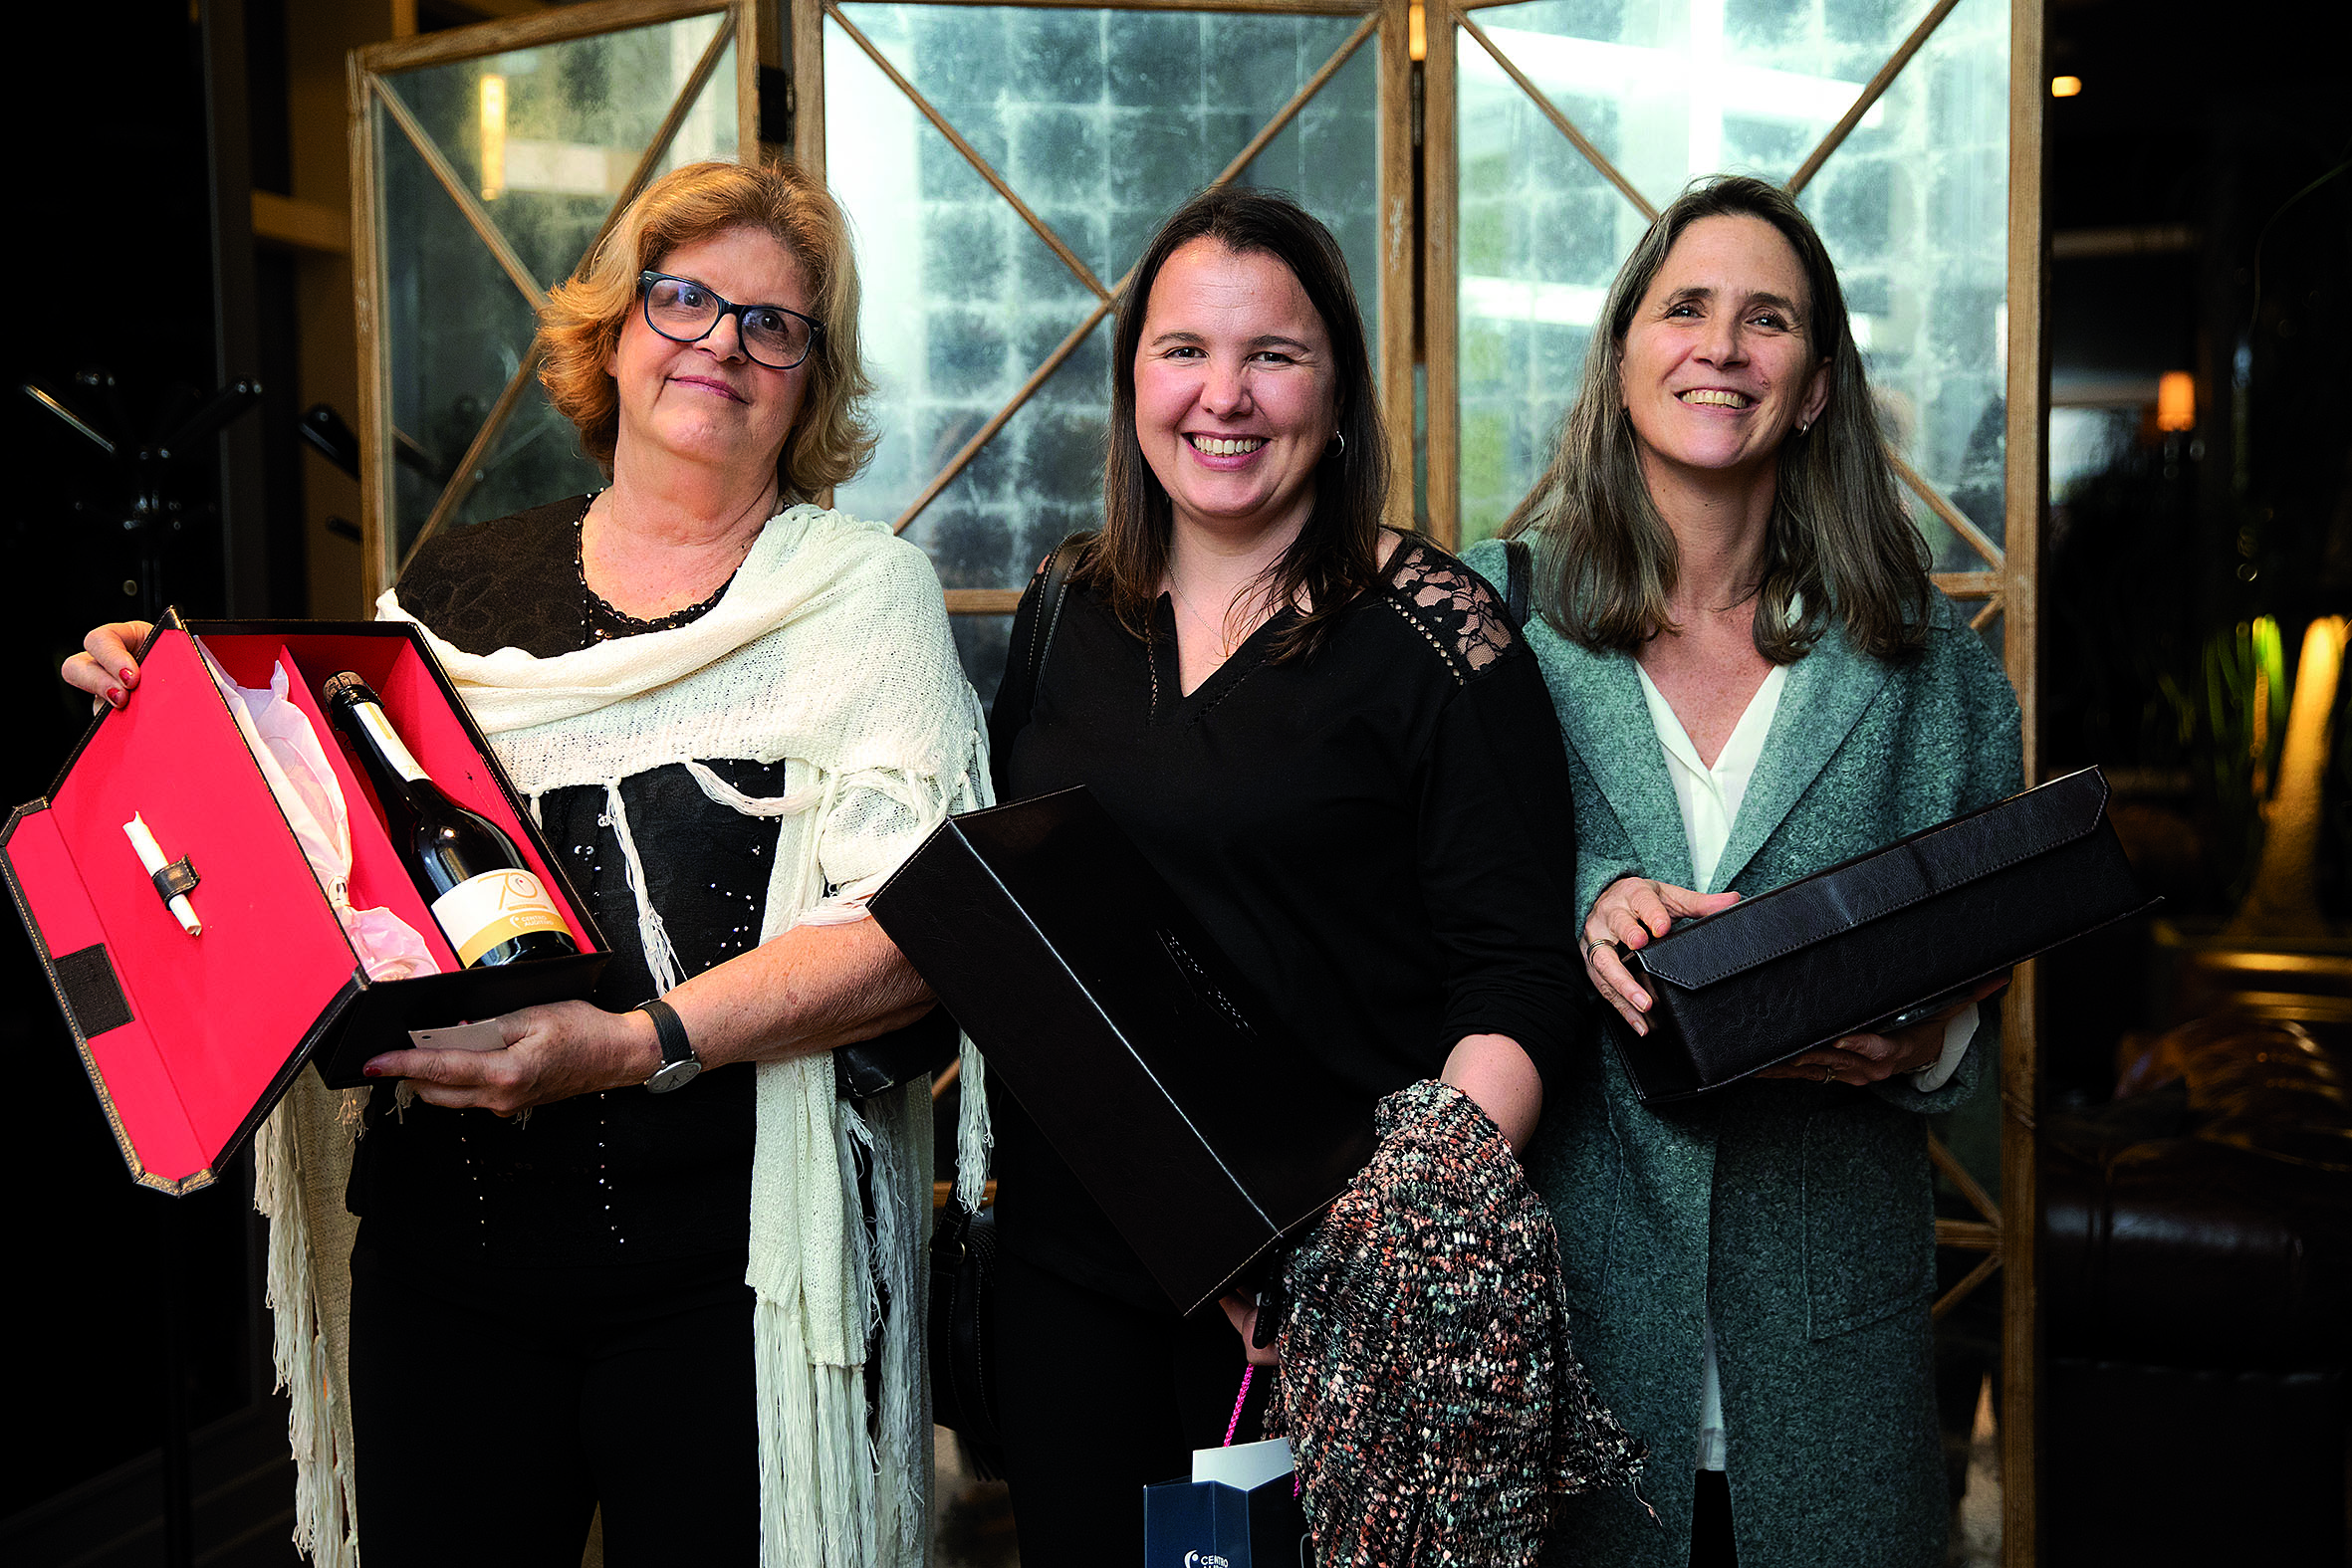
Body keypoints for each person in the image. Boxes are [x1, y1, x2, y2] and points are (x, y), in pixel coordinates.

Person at [63, 160, 983, 1568]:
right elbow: (325, 850)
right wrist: (173, 711)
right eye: (682, 300)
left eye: (771, 325)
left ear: (809, 381)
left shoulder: (862, 599)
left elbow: (910, 931)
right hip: (445, 1266)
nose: (721, 345)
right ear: (612, 332)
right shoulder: (446, 594)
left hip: (730, 1284)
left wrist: (626, 1044)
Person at [980, 185, 1606, 1564]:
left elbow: (1516, 981)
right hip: (1072, 1276)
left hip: (1321, 1300)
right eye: (1182, 350)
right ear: (1133, 374)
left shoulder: (1439, 632)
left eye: (1273, 354)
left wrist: (1362, 1250)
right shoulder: (1063, 609)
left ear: (1337, 390)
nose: (1224, 395)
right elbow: (1015, 918)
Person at [1462, 174, 2020, 1568]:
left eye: (1765, 319)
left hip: (1832, 1356)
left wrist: (1919, 1038)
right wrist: (1589, 889)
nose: (1721, 345)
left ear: (1816, 386)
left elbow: (1988, 959)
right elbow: (1408, 908)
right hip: (1559, 1342)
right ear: (1623, 351)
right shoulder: (1487, 623)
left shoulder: (1920, 664)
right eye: (1685, 309)